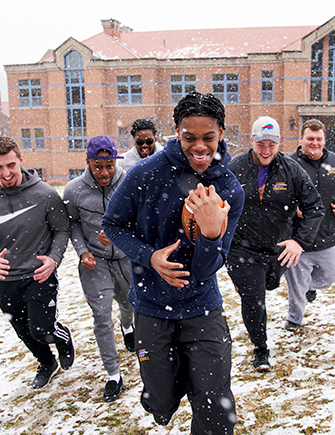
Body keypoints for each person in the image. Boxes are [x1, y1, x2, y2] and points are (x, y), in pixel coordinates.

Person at [102, 91, 243, 434]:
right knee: (161, 403)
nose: (199, 146)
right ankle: (165, 392)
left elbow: (208, 269)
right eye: (189, 137)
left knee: (215, 407)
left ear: (221, 133)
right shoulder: (145, 174)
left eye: (208, 137)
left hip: (202, 308)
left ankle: (202, 391)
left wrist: (210, 236)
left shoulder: (229, 188)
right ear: (177, 132)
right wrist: (149, 257)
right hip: (152, 307)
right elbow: (112, 224)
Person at [0, 137, 74, 389]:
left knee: (41, 328)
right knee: (23, 330)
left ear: (20, 160)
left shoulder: (45, 194)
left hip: (40, 274)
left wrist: (53, 259)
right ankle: (47, 363)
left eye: (10, 165)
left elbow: (62, 230)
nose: (5, 173)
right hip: (7, 278)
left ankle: (62, 337)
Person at [226, 116, 324, 372]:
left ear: (279, 143)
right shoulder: (235, 168)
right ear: (252, 141)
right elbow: (218, 208)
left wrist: (299, 242)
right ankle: (261, 348)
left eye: (271, 145)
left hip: (277, 248)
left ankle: (268, 283)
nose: (266, 151)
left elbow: (315, 207)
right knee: (254, 299)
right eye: (261, 145)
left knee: (269, 285)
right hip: (242, 249)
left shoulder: (291, 170)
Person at [63, 135, 135, 403]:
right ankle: (113, 374)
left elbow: (140, 218)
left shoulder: (128, 182)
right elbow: (72, 225)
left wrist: (121, 234)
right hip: (96, 261)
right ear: (88, 162)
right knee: (102, 316)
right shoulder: (73, 190)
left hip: (127, 258)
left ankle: (127, 327)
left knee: (129, 304)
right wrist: (82, 251)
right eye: (97, 166)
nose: (104, 172)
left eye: (108, 166)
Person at [284, 119, 335, 331]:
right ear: (301, 139)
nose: (314, 143)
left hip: (326, 234)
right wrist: (292, 208)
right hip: (297, 238)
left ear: (324, 140)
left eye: (318, 139)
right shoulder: (288, 163)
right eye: (310, 138)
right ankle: (294, 319)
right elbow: (276, 195)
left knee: (331, 277)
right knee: (296, 287)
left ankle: (310, 287)